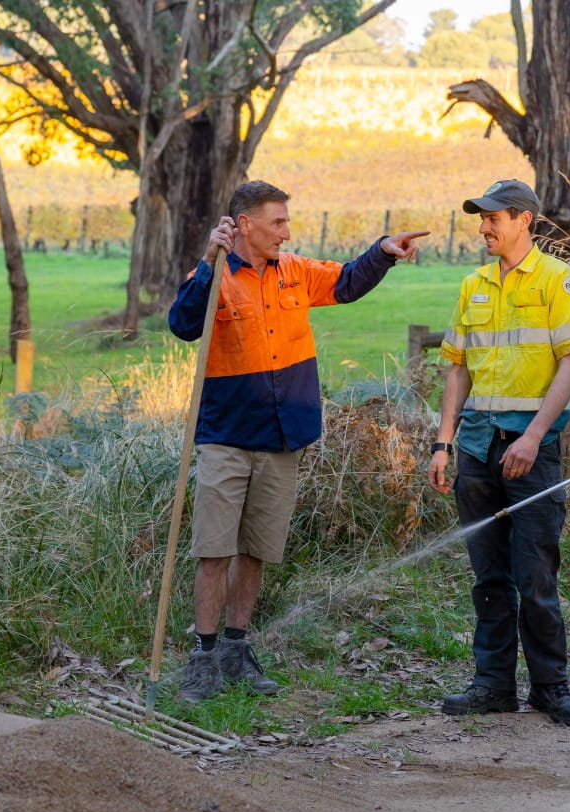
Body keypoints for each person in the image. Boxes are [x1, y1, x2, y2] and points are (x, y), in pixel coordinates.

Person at [168, 179, 427, 702]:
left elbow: (348, 282)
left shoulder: (296, 272)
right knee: (213, 550)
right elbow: (183, 325)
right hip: (225, 435)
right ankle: (203, 656)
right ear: (245, 225)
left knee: (257, 549)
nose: (287, 232)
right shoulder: (214, 272)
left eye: (287, 222)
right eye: (278, 222)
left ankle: (237, 651)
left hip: (284, 435)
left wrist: (382, 252)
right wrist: (207, 260)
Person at [427, 179, 570, 727]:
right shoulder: (473, 284)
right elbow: (456, 368)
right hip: (476, 448)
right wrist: (443, 441)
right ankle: (493, 685)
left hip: (532, 449)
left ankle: (552, 688)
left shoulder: (557, 280)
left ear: (524, 220)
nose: (483, 227)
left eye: (493, 218)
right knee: (488, 577)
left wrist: (532, 437)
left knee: (536, 575)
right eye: (480, 218)